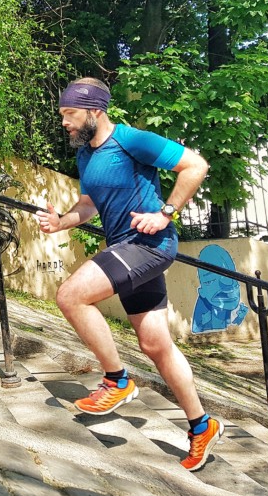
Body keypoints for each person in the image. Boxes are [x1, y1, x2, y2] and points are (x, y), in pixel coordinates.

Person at [35, 77, 222, 472]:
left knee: (71, 295)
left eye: (70, 114)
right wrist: (60, 222)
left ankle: (117, 380)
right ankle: (201, 425)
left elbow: (195, 165)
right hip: (125, 247)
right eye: (63, 115)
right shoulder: (86, 155)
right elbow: (88, 206)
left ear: (94, 111)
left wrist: (165, 212)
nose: (65, 122)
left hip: (148, 245)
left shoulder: (132, 141)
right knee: (156, 344)